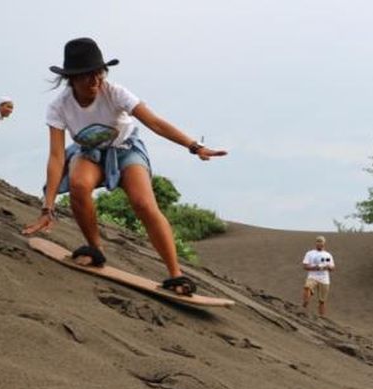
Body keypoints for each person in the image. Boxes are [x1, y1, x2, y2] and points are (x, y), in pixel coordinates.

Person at [21, 37, 227, 296]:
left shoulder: (115, 92)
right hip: (89, 153)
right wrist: (47, 206)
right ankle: (95, 249)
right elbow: (56, 157)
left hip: (126, 150)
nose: (95, 81)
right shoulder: (58, 107)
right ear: (71, 79)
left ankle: (176, 274)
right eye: (87, 76)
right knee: (78, 184)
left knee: (143, 203)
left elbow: (155, 123)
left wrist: (194, 146)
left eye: (99, 73)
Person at [302, 236, 335, 316]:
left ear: (324, 243)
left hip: (324, 279)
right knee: (307, 287)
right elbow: (305, 266)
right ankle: (304, 305)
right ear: (315, 243)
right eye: (318, 241)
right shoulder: (310, 253)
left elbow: (332, 267)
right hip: (313, 276)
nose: (320, 243)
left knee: (322, 300)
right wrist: (315, 267)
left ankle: (322, 317)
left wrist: (328, 267)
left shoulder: (328, 255)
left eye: (321, 242)